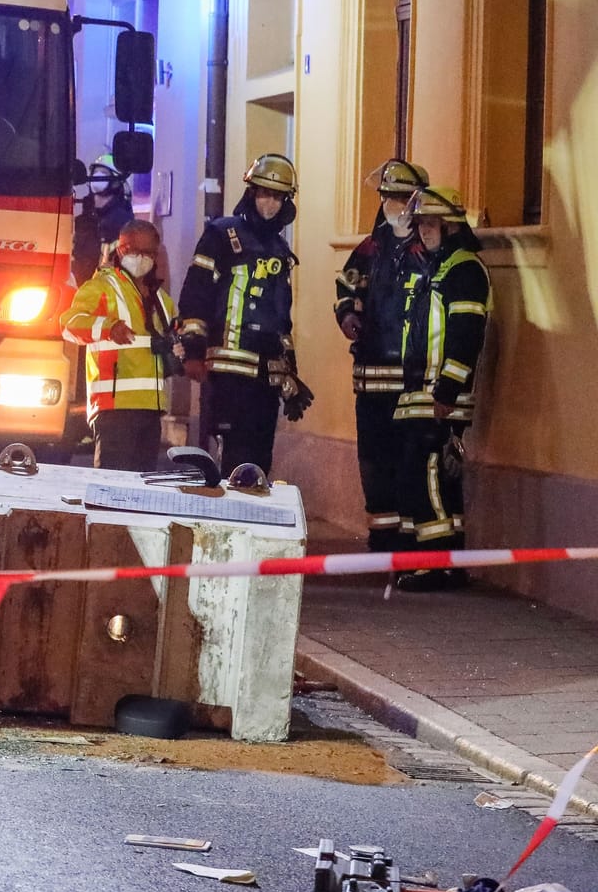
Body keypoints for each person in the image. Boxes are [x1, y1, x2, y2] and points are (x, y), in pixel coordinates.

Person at [177, 153, 312, 474]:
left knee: (258, 467)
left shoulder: (280, 250)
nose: (271, 202)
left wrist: (289, 371)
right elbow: (195, 295)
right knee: (232, 463)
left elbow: (281, 316)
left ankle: (251, 525)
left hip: (264, 381)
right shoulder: (221, 235)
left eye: (278, 196)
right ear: (251, 193)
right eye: (265, 193)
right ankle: (225, 524)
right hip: (226, 374)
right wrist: (193, 352)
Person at [393, 187, 489, 588]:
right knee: (433, 478)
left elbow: (466, 334)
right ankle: (441, 560)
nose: (424, 231)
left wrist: (447, 391)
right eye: (421, 224)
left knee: (429, 475)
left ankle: (436, 566)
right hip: (424, 392)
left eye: (431, 223)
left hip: (440, 394)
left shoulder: (463, 269)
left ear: (450, 225)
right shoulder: (438, 267)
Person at [334, 158, 429, 550]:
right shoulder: (369, 250)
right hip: (371, 378)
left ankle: (408, 542)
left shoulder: (428, 250)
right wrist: (346, 314)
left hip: (410, 380)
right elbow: (346, 288)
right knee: (373, 462)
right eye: (388, 197)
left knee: (409, 463)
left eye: (402, 198)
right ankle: (382, 537)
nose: (394, 205)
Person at [61, 219, 180, 471]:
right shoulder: (102, 287)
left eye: (150, 253)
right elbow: (69, 324)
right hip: (114, 408)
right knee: (111, 489)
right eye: (138, 252)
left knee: (141, 491)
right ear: (122, 249)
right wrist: (107, 328)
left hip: (151, 407)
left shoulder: (160, 298)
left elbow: (170, 336)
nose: (144, 258)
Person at [71, 154, 133, 285]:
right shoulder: (83, 222)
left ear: (117, 181)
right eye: (95, 172)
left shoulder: (122, 223)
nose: (98, 177)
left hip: (104, 292)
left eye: (104, 173)